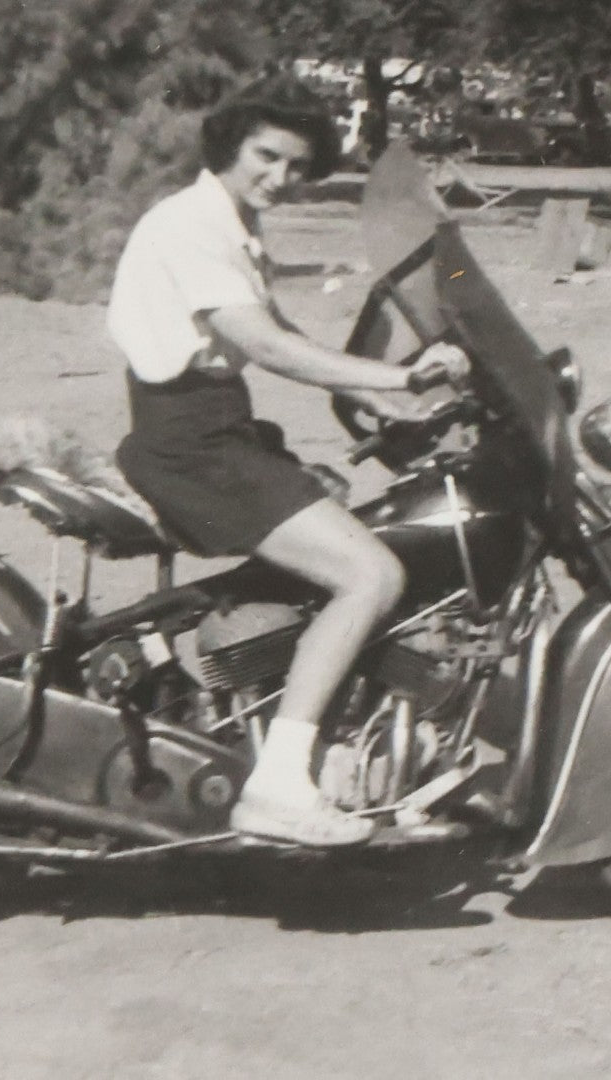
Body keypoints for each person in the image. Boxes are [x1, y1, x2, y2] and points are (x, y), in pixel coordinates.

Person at [107, 74, 468, 846]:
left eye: (297, 165)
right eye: (266, 156)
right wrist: (400, 379)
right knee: (370, 574)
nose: (281, 176)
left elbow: (280, 328)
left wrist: (375, 397)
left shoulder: (231, 224)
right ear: (230, 145)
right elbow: (266, 346)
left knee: (351, 548)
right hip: (192, 442)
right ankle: (276, 787)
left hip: (218, 429)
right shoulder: (190, 226)